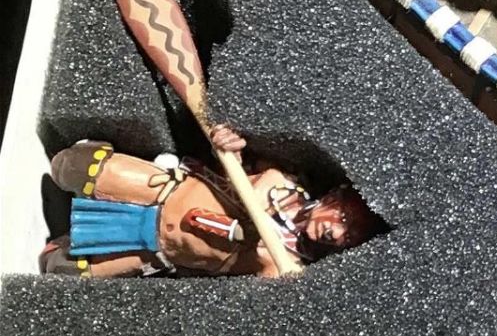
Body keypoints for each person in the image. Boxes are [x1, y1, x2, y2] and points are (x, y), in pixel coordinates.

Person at [39, 126, 380, 276]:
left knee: (61, 268)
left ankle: (72, 243)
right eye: (343, 219)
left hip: (158, 251)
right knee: (76, 166)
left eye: (348, 237)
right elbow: (248, 180)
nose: (336, 232)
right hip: (165, 191)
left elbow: (268, 290)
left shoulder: (290, 264)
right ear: (333, 196)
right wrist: (229, 144)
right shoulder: (283, 182)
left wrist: (281, 281)